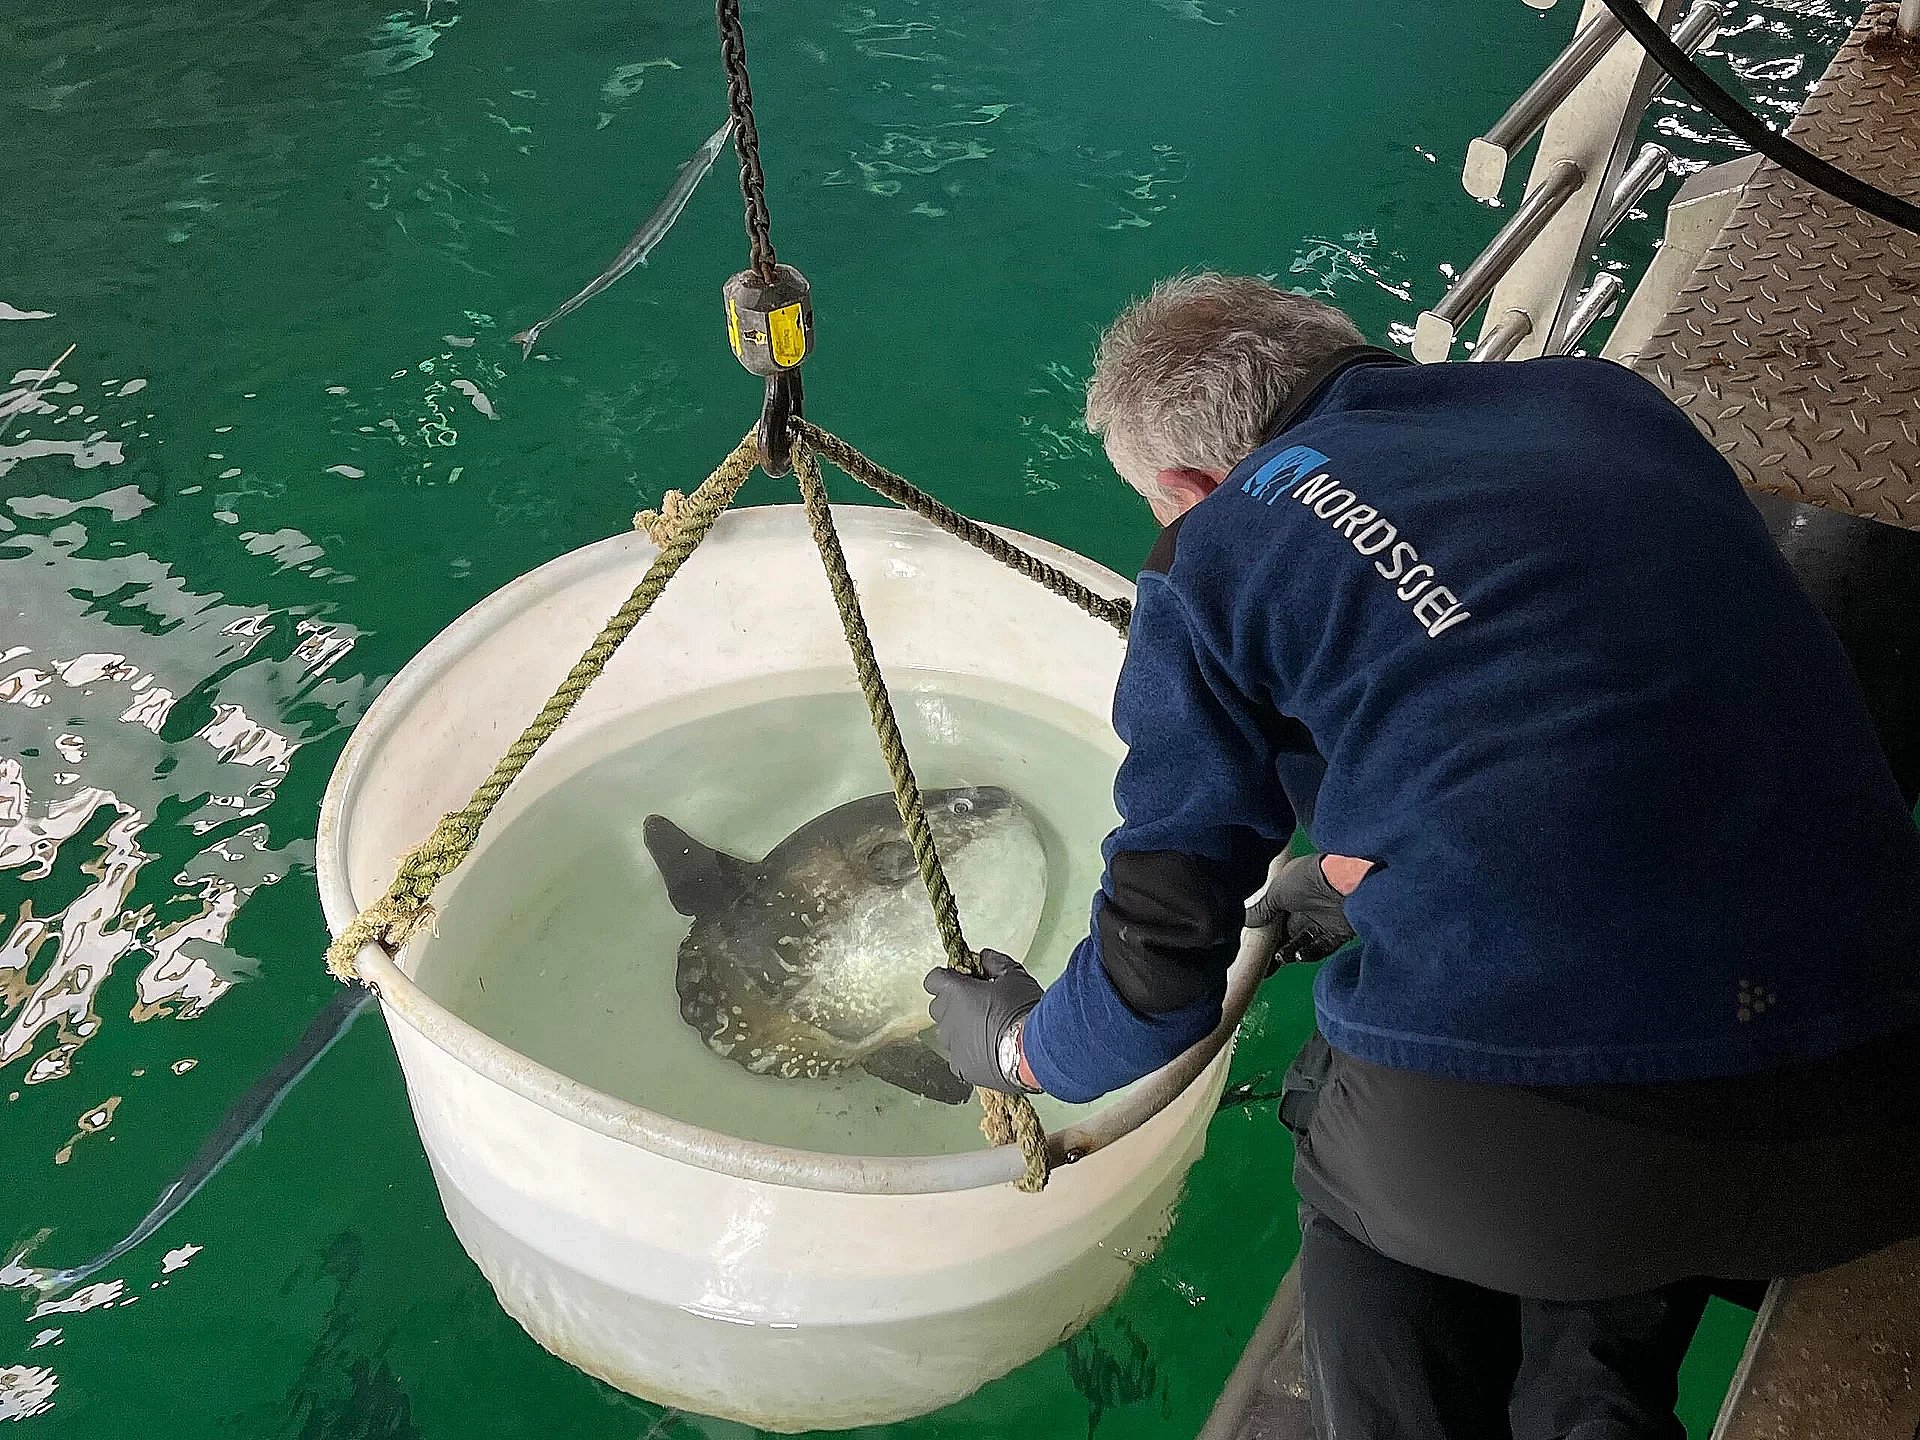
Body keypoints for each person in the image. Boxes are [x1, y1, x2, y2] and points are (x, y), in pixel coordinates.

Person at [924, 273, 1920, 1440]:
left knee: (1365, 1164)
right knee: (1623, 1065)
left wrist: (1017, 1048)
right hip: (1876, 1102)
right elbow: (1576, 707)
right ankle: (1592, 1404)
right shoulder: (1605, 401)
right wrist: (1356, 874)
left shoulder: (1215, 554)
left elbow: (1156, 977)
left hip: (1530, 1156)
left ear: (1194, 491)